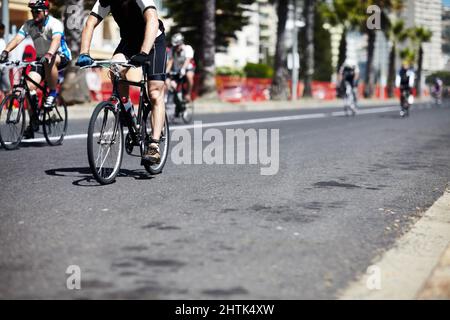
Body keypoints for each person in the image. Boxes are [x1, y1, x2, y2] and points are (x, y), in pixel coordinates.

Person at [77, 0, 166, 164]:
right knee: (114, 69)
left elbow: (152, 19)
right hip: (129, 42)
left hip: (153, 40)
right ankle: (126, 110)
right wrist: (84, 53)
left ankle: (154, 145)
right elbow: (90, 23)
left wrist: (144, 52)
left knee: (154, 92)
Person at [0, 0, 71, 138]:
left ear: (45, 11)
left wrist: (50, 53)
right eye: (32, 11)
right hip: (41, 59)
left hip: (59, 56)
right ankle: (34, 121)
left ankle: (52, 93)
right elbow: (17, 39)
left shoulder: (54, 23)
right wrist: (5, 51)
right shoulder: (29, 25)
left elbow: (56, 40)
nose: (34, 14)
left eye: (37, 11)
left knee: (49, 60)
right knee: (27, 88)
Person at [166, 33, 195, 102]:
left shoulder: (188, 48)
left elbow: (188, 60)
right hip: (177, 70)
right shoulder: (172, 50)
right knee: (171, 83)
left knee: (189, 76)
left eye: (177, 45)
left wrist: (183, 69)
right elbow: (170, 62)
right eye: (175, 46)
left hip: (188, 68)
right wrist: (166, 72)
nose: (176, 47)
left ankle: (188, 94)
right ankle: (176, 99)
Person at [0, 22, 11, 96]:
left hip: (4, 66)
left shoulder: (2, 40)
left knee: (7, 88)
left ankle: (9, 106)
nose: (2, 32)